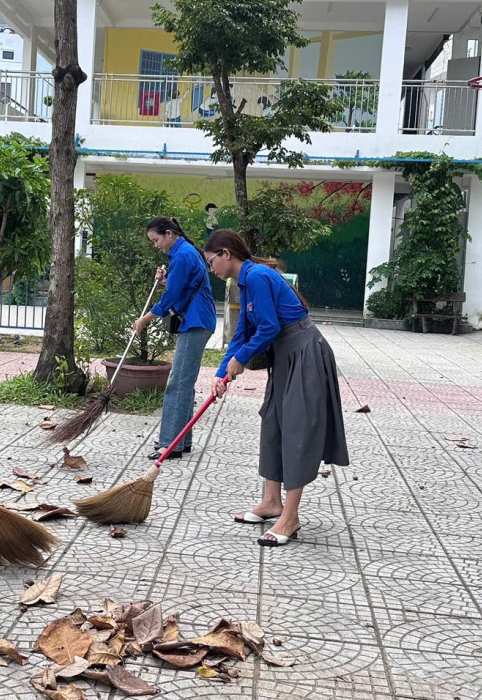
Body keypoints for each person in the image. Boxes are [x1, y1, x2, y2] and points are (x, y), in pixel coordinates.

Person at [206, 228, 348, 547]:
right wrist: (221, 373)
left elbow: (268, 327)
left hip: (305, 353)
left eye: (211, 261)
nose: (210, 268)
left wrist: (239, 361)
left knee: (296, 428)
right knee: (273, 422)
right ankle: (272, 501)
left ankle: (290, 517)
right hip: (284, 357)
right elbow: (242, 332)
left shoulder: (256, 277)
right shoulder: (244, 281)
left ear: (226, 254)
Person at [131, 217, 216, 461]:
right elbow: (181, 287)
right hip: (198, 320)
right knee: (184, 383)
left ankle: (170, 444)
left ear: (169, 233)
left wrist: (144, 319)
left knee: (177, 383)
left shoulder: (182, 255)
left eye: (156, 240)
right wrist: (166, 279)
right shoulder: (184, 253)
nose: (156, 245)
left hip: (195, 322)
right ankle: (182, 440)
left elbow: (172, 297)